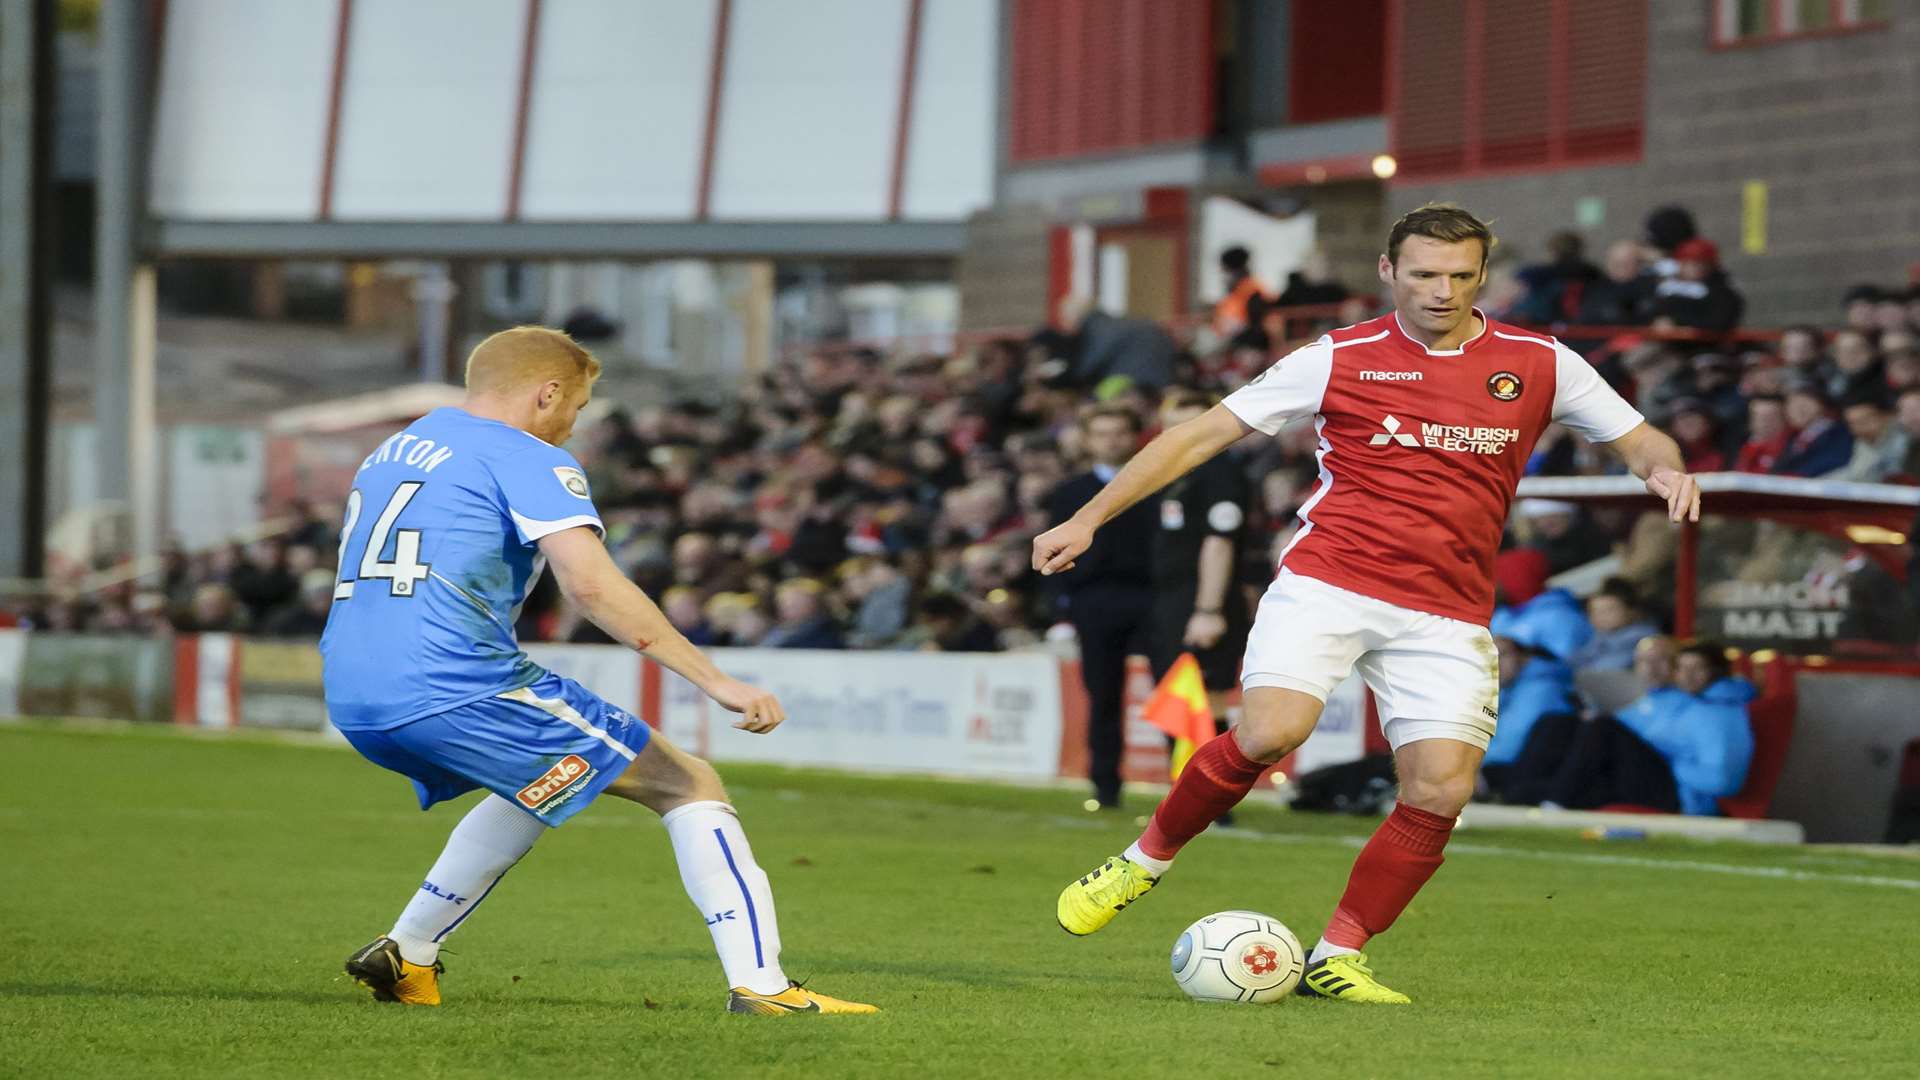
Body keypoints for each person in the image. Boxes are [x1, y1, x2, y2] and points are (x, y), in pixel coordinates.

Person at [1037, 204, 1700, 1004]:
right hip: (1330, 581)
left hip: (1447, 610)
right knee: (1273, 731)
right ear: (1389, 273)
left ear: (1482, 275)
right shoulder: (1337, 356)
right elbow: (1199, 436)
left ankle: (1338, 955)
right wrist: (1088, 517)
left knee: (1441, 791)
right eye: (1423, 273)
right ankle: (1140, 862)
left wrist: (1664, 470)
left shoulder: (1541, 361)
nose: (1441, 291)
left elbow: (1638, 437)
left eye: (1460, 275)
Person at [320, 327, 874, 1015]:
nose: (571, 425)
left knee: (545, 779)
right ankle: (764, 988)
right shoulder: (525, 455)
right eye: (575, 408)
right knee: (686, 782)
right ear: (547, 392)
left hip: (352, 692)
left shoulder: (398, 447)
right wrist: (717, 682)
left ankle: (408, 952)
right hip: (456, 684)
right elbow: (592, 588)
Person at [1043, 406, 1159, 809]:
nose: (1111, 440)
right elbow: (1053, 556)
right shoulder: (1069, 493)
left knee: (1173, 693)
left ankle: (1193, 788)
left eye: (1118, 432)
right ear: (1088, 440)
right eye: (1102, 433)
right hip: (1095, 603)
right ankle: (1105, 786)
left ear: (1133, 437)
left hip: (1154, 599)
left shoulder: (1158, 484)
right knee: (1103, 696)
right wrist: (1060, 614)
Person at [1146, 389, 1254, 736]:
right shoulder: (1178, 474)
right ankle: (1182, 785)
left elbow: (1219, 541)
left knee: (1205, 701)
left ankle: (1209, 787)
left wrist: (1208, 610)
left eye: (1191, 425)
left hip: (1203, 599)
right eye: (1173, 427)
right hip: (1174, 599)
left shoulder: (1220, 473)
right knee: (1178, 703)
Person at [1566, 577, 1658, 672]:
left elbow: (1607, 670)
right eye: (1595, 612)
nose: (1601, 617)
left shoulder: (1641, 639)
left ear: (1632, 611)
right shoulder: (1598, 637)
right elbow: (1575, 659)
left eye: (1609, 610)